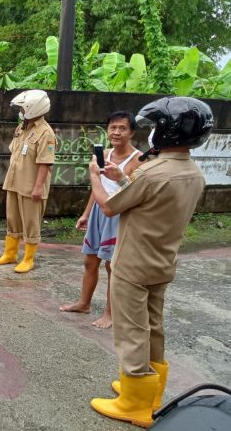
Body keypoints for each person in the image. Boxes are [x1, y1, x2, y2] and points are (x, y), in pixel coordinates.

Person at [88, 97, 213, 427]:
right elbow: (154, 200)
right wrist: (122, 176)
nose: (154, 133)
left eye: (157, 127)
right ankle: (150, 391)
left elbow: (110, 206)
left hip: (133, 262)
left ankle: (133, 403)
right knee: (153, 326)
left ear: (168, 132)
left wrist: (96, 178)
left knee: (131, 329)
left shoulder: (153, 171)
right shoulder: (193, 173)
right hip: (162, 261)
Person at [59, 111, 143, 328]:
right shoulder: (103, 154)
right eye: (113, 127)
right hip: (98, 212)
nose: (116, 132)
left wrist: (121, 177)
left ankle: (110, 313)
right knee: (90, 262)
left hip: (118, 216)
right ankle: (84, 303)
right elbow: (96, 188)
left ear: (132, 132)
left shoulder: (139, 160)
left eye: (122, 128)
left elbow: (137, 194)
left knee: (112, 267)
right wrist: (86, 214)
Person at [0, 89, 56, 273]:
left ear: (33, 108)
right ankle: (10, 253)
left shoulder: (46, 133)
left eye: (22, 108)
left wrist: (38, 188)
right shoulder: (21, 127)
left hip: (31, 186)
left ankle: (28, 259)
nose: (20, 111)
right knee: (12, 218)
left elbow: (45, 162)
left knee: (31, 222)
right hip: (14, 182)